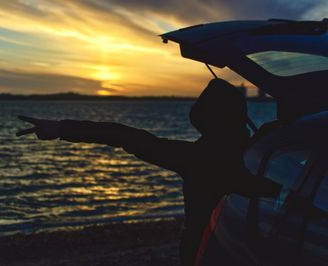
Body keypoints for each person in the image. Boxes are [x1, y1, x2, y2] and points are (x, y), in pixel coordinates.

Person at [16, 78, 281, 266]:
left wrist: (62, 129)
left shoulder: (197, 159)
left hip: (205, 253)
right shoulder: (265, 152)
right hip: (265, 248)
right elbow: (274, 189)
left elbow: (125, 136)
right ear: (238, 117)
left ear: (201, 119)